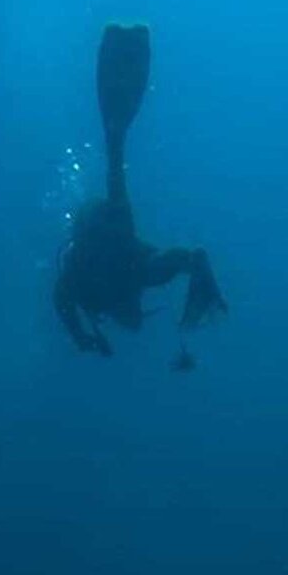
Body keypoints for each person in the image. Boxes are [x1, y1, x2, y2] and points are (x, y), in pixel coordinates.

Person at [54, 23, 228, 359]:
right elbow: (63, 299)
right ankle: (117, 115)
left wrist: (83, 338)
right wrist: (82, 337)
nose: (135, 317)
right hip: (111, 235)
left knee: (115, 160)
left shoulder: (121, 282)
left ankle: (117, 111)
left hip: (107, 234)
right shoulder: (132, 278)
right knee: (115, 159)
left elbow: (63, 298)